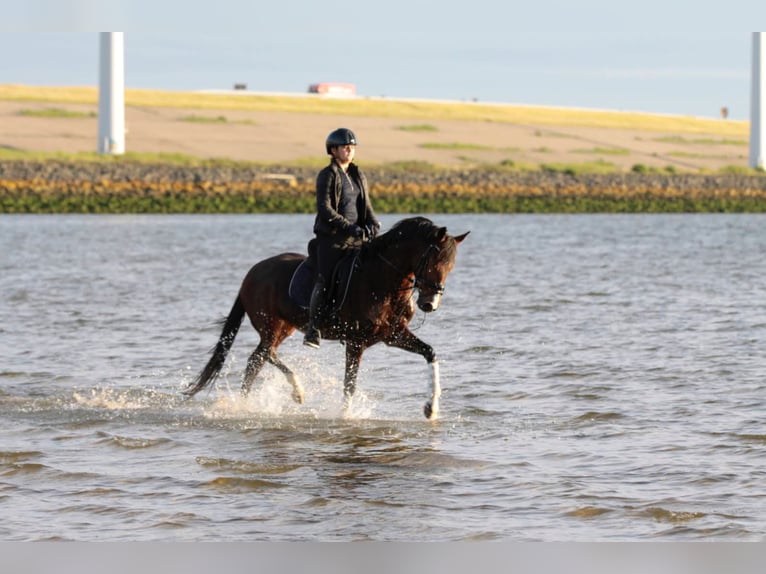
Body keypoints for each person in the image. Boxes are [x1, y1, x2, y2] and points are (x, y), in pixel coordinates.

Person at [303, 128, 381, 348]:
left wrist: (372, 223)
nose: (349, 149)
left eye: (352, 146)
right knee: (325, 278)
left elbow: (366, 206)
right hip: (333, 238)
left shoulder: (358, 174)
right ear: (333, 150)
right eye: (345, 146)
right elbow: (325, 209)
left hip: (357, 237)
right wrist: (350, 228)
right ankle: (313, 328)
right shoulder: (327, 175)